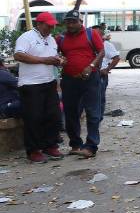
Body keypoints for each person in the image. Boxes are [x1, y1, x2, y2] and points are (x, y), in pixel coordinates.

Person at [13, 12, 65, 164]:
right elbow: (19, 56)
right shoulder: (27, 37)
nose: (51, 28)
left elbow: (51, 59)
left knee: (54, 115)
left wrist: (58, 61)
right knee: (33, 118)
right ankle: (33, 150)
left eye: (53, 25)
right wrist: (44, 60)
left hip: (49, 82)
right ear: (39, 24)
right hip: (30, 84)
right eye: (48, 25)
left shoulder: (52, 40)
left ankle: (50, 145)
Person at [58, 10, 104, 158]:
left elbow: (101, 52)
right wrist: (60, 59)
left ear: (80, 22)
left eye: (74, 22)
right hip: (69, 79)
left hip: (90, 79)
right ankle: (75, 144)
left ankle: (91, 146)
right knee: (71, 113)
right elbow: (58, 54)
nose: (70, 25)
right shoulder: (62, 38)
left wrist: (91, 67)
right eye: (68, 22)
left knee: (92, 112)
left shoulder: (91, 34)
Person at [92, 25, 120, 120]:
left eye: (97, 34)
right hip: (89, 74)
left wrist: (107, 69)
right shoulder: (88, 43)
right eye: (93, 33)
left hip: (100, 75)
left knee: (100, 98)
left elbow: (116, 58)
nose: (95, 36)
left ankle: (98, 119)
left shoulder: (106, 45)